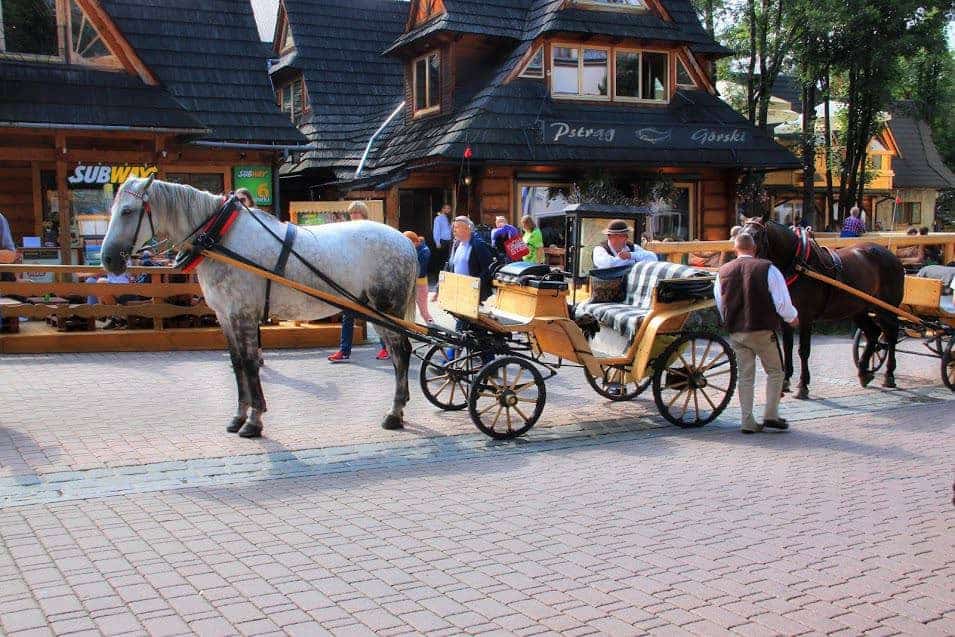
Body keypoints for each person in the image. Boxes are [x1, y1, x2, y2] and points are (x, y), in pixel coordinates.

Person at [714, 233, 799, 434]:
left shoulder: (723, 271)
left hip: (737, 331)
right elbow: (781, 301)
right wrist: (792, 318)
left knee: (745, 376)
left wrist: (730, 321)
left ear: (735, 249)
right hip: (762, 329)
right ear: (754, 249)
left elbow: (720, 302)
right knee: (776, 372)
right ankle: (770, 414)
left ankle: (747, 421)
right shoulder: (768, 269)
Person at [328, 201, 388, 362]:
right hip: (353, 282)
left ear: (363, 214)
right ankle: (344, 350)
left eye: (357, 212)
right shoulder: (348, 232)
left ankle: (386, 347)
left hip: (369, 280)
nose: (354, 215)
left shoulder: (371, 231)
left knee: (378, 316)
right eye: (352, 213)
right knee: (347, 316)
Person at [432, 216, 495, 362]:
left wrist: (475, 285)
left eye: (456, 227)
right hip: (460, 292)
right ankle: (490, 363)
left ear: (467, 229)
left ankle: (447, 361)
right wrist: (438, 288)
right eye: (453, 227)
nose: (453, 230)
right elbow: (449, 267)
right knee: (478, 330)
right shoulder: (456, 244)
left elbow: (488, 269)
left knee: (461, 328)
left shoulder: (478, 245)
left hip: (474, 294)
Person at [592, 219, 657, 269]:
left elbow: (652, 257)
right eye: (622, 236)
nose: (626, 238)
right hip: (604, 285)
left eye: (626, 235)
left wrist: (631, 255)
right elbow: (609, 264)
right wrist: (629, 259)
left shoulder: (632, 247)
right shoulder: (599, 249)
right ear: (610, 237)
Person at [403, 230, 433, 323]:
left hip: (420, 284)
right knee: (405, 311)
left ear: (414, 241)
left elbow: (420, 270)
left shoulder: (425, 251)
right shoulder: (414, 248)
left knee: (424, 312)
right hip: (412, 282)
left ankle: (434, 329)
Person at [432, 203, 453, 276]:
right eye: (446, 208)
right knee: (440, 260)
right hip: (442, 242)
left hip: (449, 242)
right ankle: (438, 277)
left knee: (447, 260)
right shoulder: (438, 218)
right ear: (443, 209)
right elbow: (436, 231)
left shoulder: (450, 218)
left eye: (449, 208)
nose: (447, 210)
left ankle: (446, 277)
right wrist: (437, 242)